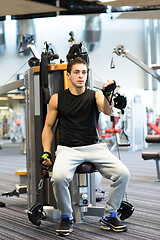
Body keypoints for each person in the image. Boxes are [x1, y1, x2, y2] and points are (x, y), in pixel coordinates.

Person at [41, 57, 130, 236]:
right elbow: (48, 127)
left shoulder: (95, 95)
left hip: (94, 147)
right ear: (68, 75)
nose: (81, 76)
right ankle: (67, 217)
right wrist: (46, 153)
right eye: (77, 72)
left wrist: (107, 95)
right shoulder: (57, 99)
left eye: (84, 72)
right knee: (58, 178)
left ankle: (109, 215)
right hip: (68, 149)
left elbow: (108, 110)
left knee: (123, 173)